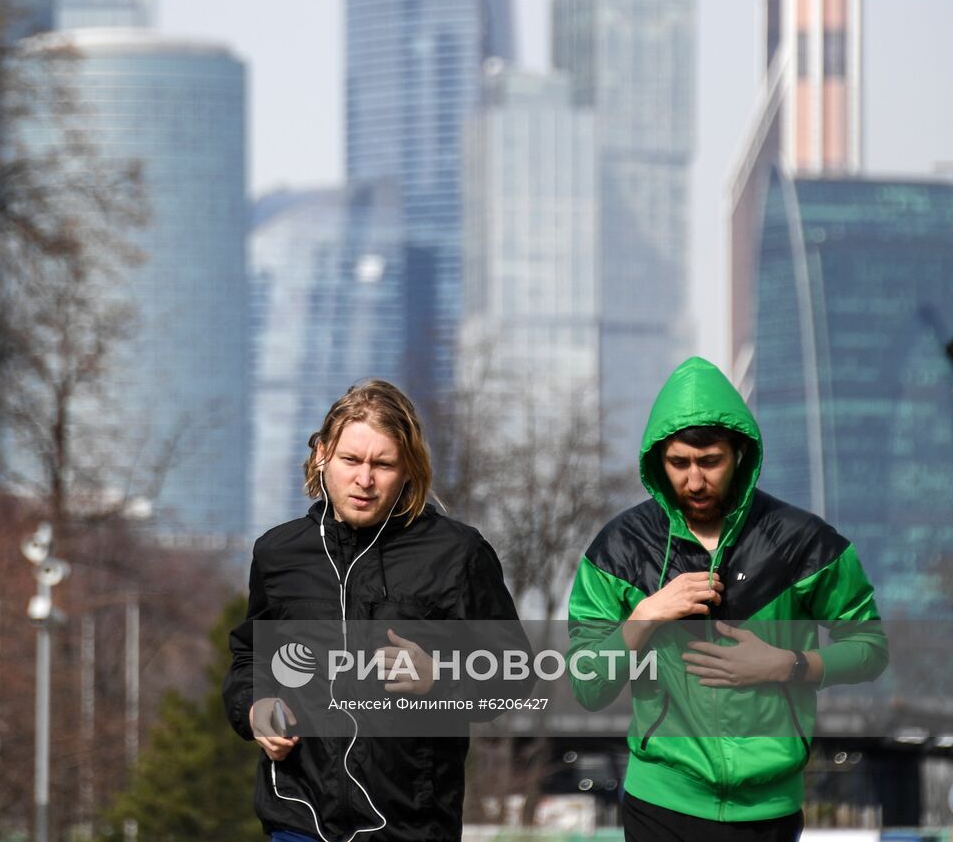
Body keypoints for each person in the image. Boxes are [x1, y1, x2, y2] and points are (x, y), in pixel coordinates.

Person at [568, 357, 887, 842]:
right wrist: (645, 616)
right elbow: (588, 686)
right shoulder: (619, 549)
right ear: (659, 460)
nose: (694, 481)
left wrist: (789, 665)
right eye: (679, 464)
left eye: (709, 462)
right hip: (661, 801)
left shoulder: (803, 542)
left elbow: (870, 648)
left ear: (739, 453)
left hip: (770, 807)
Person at [223, 379, 523, 842]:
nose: (364, 480)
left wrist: (438, 676)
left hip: (411, 825)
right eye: (351, 460)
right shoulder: (278, 553)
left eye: (383, 464)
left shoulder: (456, 553)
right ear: (322, 454)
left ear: (408, 469)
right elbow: (250, 660)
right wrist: (256, 710)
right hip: (298, 817)